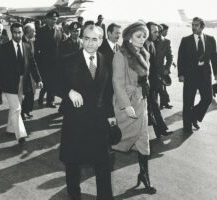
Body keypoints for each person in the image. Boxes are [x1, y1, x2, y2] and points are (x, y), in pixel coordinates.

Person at [59, 25, 115, 200]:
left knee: (103, 161)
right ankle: (74, 194)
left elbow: (108, 91)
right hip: (75, 119)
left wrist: (111, 115)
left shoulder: (106, 60)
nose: (90, 43)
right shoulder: (68, 59)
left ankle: (105, 196)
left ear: (100, 41)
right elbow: (53, 79)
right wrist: (68, 91)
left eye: (95, 39)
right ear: (81, 39)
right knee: (73, 161)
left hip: (98, 120)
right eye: (87, 38)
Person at [111, 21, 156, 194]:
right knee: (115, 139)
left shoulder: (144, 53)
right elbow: (117, 82)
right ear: (129, 37)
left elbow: (145, 79)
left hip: (141, 103)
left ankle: (144, 176)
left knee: (144, 141)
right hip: (126, 105)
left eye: (144, 36)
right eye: (139, 36)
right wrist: (126, 105)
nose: (142, 39)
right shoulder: (120, 55)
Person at [0, 23, 43, 145]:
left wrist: (38, 79)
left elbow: (32, 64)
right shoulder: (4, 48)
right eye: (15, 32)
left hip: (23, 82)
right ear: (11, 33)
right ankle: (21, 135)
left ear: (22, 32)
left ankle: (10, 129)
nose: (17, 35)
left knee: (16, 107)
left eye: (19, 32)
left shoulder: (26, 46)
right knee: (17, 108)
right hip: (9, 83)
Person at [178, 17, 217, 134]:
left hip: (205, 75)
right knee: (188, 102)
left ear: (202, 27)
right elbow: (181, 58)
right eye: (193, 25)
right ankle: (187, 126)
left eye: (196, 25)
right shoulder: (185, 40)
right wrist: (181, 74)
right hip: (190, 76)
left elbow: (214, 57)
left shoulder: (211, 40)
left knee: (208, 99)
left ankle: (193, 116)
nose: (193, 27)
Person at [145, 22, 172, 138]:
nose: (158, 34)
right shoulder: (143, 45)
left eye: (158, 31)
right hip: (145, 81)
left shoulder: (151, 44)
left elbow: (169, 57)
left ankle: (160, 129)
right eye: (155, 31)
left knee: (154, 105)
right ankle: (159, 129)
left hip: (154, 78)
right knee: (151, 106)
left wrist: (166, 70)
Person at [35, 11, 62, 108]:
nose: (53, 21)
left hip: (55, 61)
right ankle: (41, 96)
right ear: (47, 19)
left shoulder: (59, 30)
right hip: (44, 61)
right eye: (51, 19)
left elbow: (62, 43)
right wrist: (37, 61)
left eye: (55, 19)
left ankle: (51, 101)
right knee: (46, 81)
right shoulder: (41, 31)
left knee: (53, 81)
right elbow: (37, 46)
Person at [21, 23, 37, 120]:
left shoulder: (31, 42)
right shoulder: (21, 41)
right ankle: (22, 112)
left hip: (30, 72)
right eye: (33, 31)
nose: (35, 33)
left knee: (30, 93)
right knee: (24, 93)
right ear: (28, 31)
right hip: (23, 72)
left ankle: (27, 110)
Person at [156, 23, 173, 109]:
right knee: (157, 89)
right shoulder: (151, 41)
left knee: (163, 87)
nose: (166, 33)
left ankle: (164, 103)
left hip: (161, 69)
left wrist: (167, 68)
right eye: (165, 31)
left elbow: (170, 57)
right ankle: (156, 106)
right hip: (151, 70)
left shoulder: (166, 42)